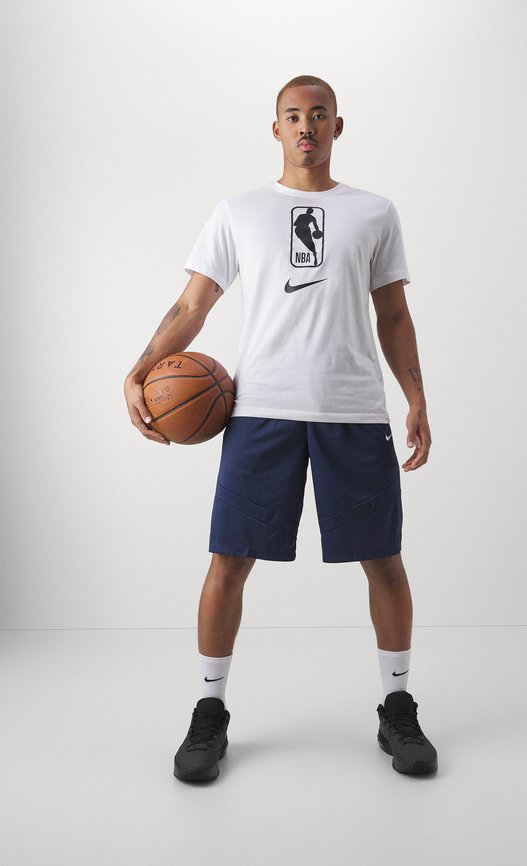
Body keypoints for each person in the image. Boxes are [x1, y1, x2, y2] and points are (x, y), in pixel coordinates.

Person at [123, 74, 438, 782]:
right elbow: (192, 305)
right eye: (293, 115)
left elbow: (393, 315)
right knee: (228, 560)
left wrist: (416, 397)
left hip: (352, 409)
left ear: (337, 126)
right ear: (276, 129)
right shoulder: (240, 211)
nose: (306, 126)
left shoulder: (374, 212)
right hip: (261, 410)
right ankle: (209, 712)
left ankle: (397, 706)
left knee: (383, 558)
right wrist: (139, 370)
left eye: (319, 114)